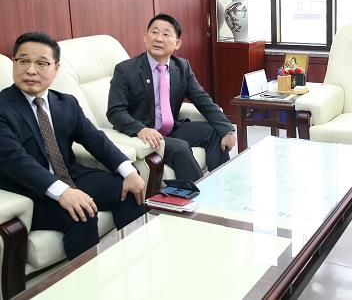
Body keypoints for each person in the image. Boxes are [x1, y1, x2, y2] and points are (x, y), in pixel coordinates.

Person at [0, 32, 146, 260]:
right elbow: (16, 162)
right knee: (81, 213)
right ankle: (90, 277)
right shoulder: (3, 107)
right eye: (24, 61)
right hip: (30, 192)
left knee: (128, 191)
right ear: (14, 63)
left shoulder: (65, 103)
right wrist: (63, 192)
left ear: (56, 68)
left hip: (70, 175)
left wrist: (129, 171)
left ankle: (136, 261)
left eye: (41, 63)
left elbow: (96, 140)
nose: (31, 70)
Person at [107, 14, 236, 181]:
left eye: (166, 34)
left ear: (177, 43)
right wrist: (140, 129)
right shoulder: (126, 70)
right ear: (145, 38)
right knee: (181, 148)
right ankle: (199, 194)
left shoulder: (181, 67)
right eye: (154, 32)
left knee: (215, 133)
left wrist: (227, 129)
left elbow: (203, 100)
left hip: (171, 129)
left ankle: (224, 186)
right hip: (144, 134)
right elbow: (115, 112)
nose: (158, 38)